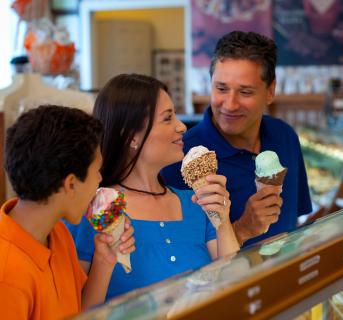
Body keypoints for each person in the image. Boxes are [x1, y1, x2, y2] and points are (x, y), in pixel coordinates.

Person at [66, 74, 239, 300]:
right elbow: (76, 310)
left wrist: (223, 221)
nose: (182, 127)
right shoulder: (89, 212)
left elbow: (235, 285)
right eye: (168, 118)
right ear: (130, 136)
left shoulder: (197, 203)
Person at [0, 105, 135, 319]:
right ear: (70, 184)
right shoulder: (2, 276)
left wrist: (103, 262)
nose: (100, 180)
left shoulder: (57, 234)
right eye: (96, 171)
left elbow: (81, 314)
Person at [162, 31, 312, 247]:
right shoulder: (180, 157)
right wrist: (243, 229)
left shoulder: (285, 137)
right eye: (221, 88)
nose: (230, 104)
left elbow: (293, 222)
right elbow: (178, 258)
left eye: (245, 92)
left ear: (270, 91)